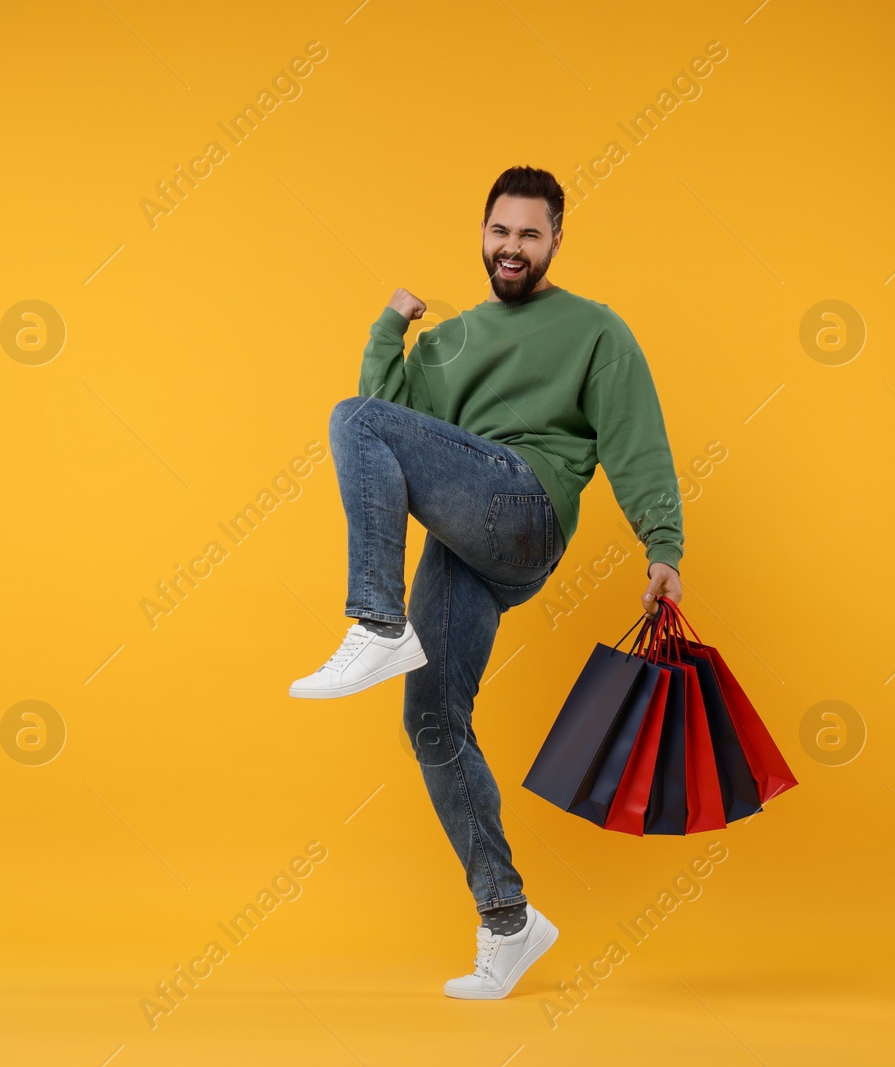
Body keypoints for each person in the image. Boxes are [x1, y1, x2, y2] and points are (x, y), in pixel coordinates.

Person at [289, 165, 685, 1000]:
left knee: (350, 422)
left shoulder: (593, 330)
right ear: (483, 235)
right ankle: (508, 919)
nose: (512, 248)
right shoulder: (453, 338)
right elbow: (381, 425)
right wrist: (389, 328)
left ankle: (374, 618)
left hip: (527, 502)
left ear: (555, 241)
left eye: (530, 234)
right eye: (500, 232)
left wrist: (662, 544)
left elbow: (635, 433)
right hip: (473, 538)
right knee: (430, 717)